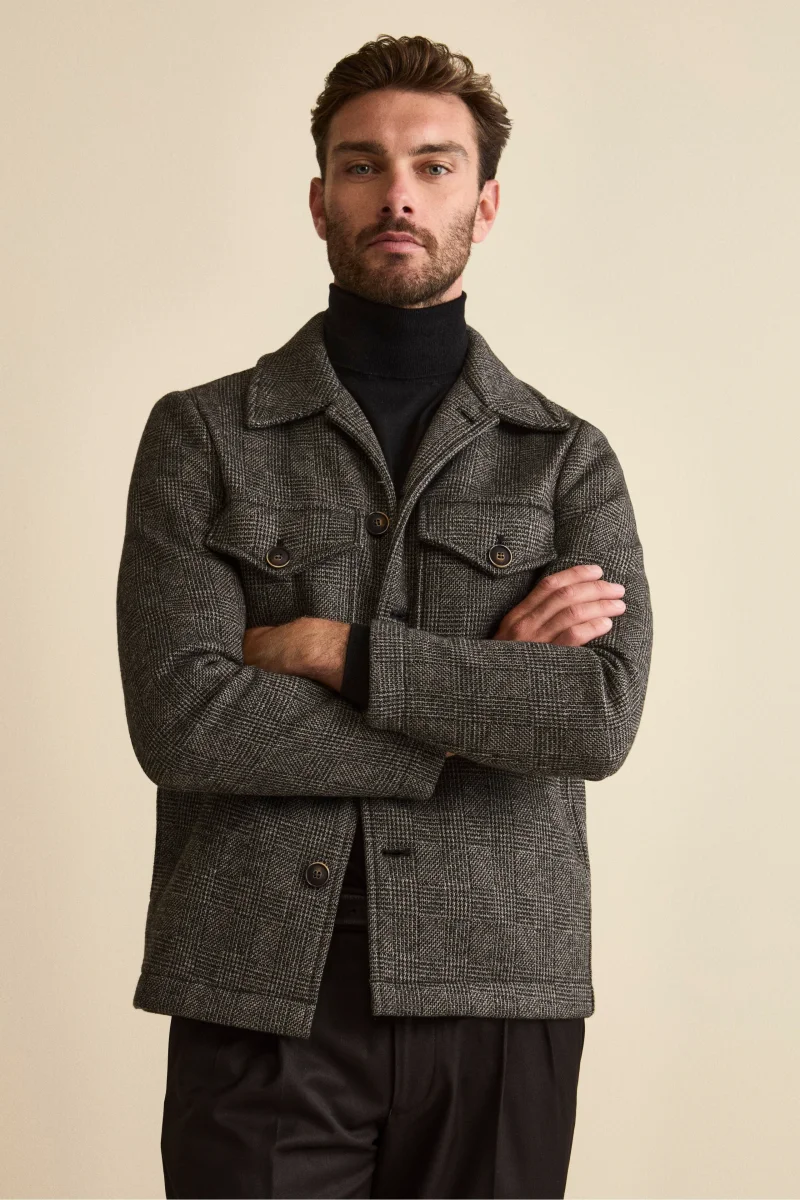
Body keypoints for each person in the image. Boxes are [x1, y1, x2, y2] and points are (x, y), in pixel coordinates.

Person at [116, 32, 653, 1200]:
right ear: (319, 200)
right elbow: (184, 720)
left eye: (432, 165)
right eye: (361, 165)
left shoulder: (564, 460)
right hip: (256, 990)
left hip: (499, 987)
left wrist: (334, 653)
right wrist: (478, 702)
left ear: (484, 202)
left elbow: (594, 719)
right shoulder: (203, 438)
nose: (396, 194)